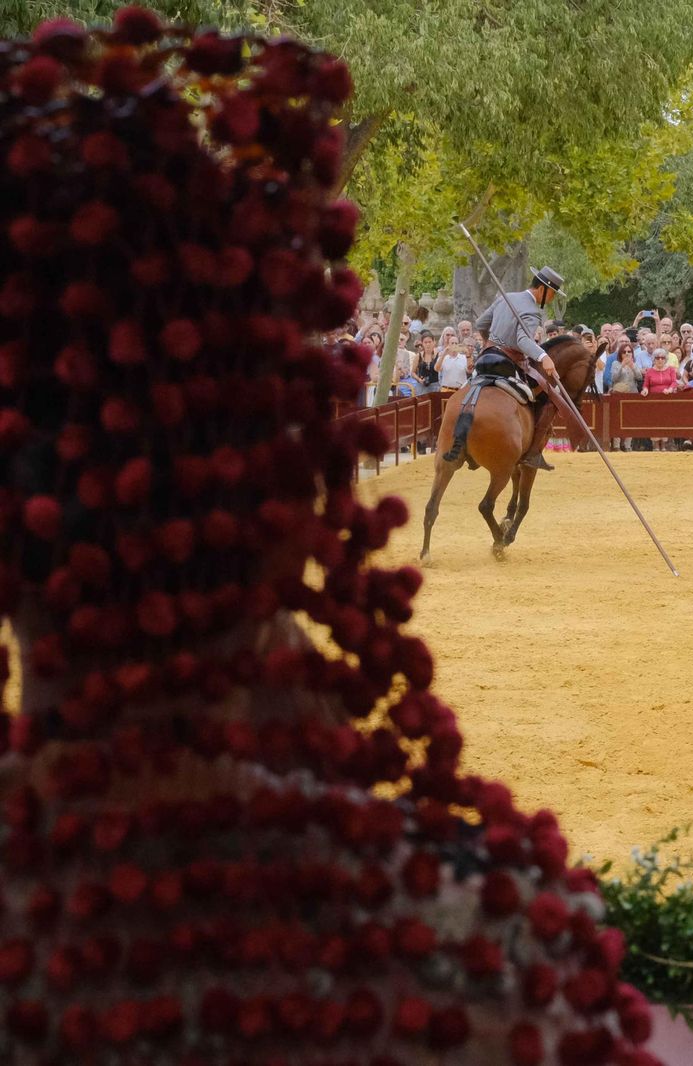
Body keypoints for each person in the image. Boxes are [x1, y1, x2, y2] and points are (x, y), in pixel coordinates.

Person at [0, 14, 658, 1063]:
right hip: (498, 379)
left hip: (495, 375)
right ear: (294, 515)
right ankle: (511, 462)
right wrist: (535, 367)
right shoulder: (488, 952)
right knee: (514, 407)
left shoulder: (526, 315)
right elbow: (519, 357)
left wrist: (537, 357)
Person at [473, 264, 565, 469]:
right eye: (552, 294)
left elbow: (480, 324)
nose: (552, 299)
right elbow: (523, 341)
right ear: (542, 289)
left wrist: (491, 343)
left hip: (485, 358)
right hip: (508, 363)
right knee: (549, 397)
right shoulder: (532, 311)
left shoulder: (505, 297)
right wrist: (543, 356)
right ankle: (533, 452)